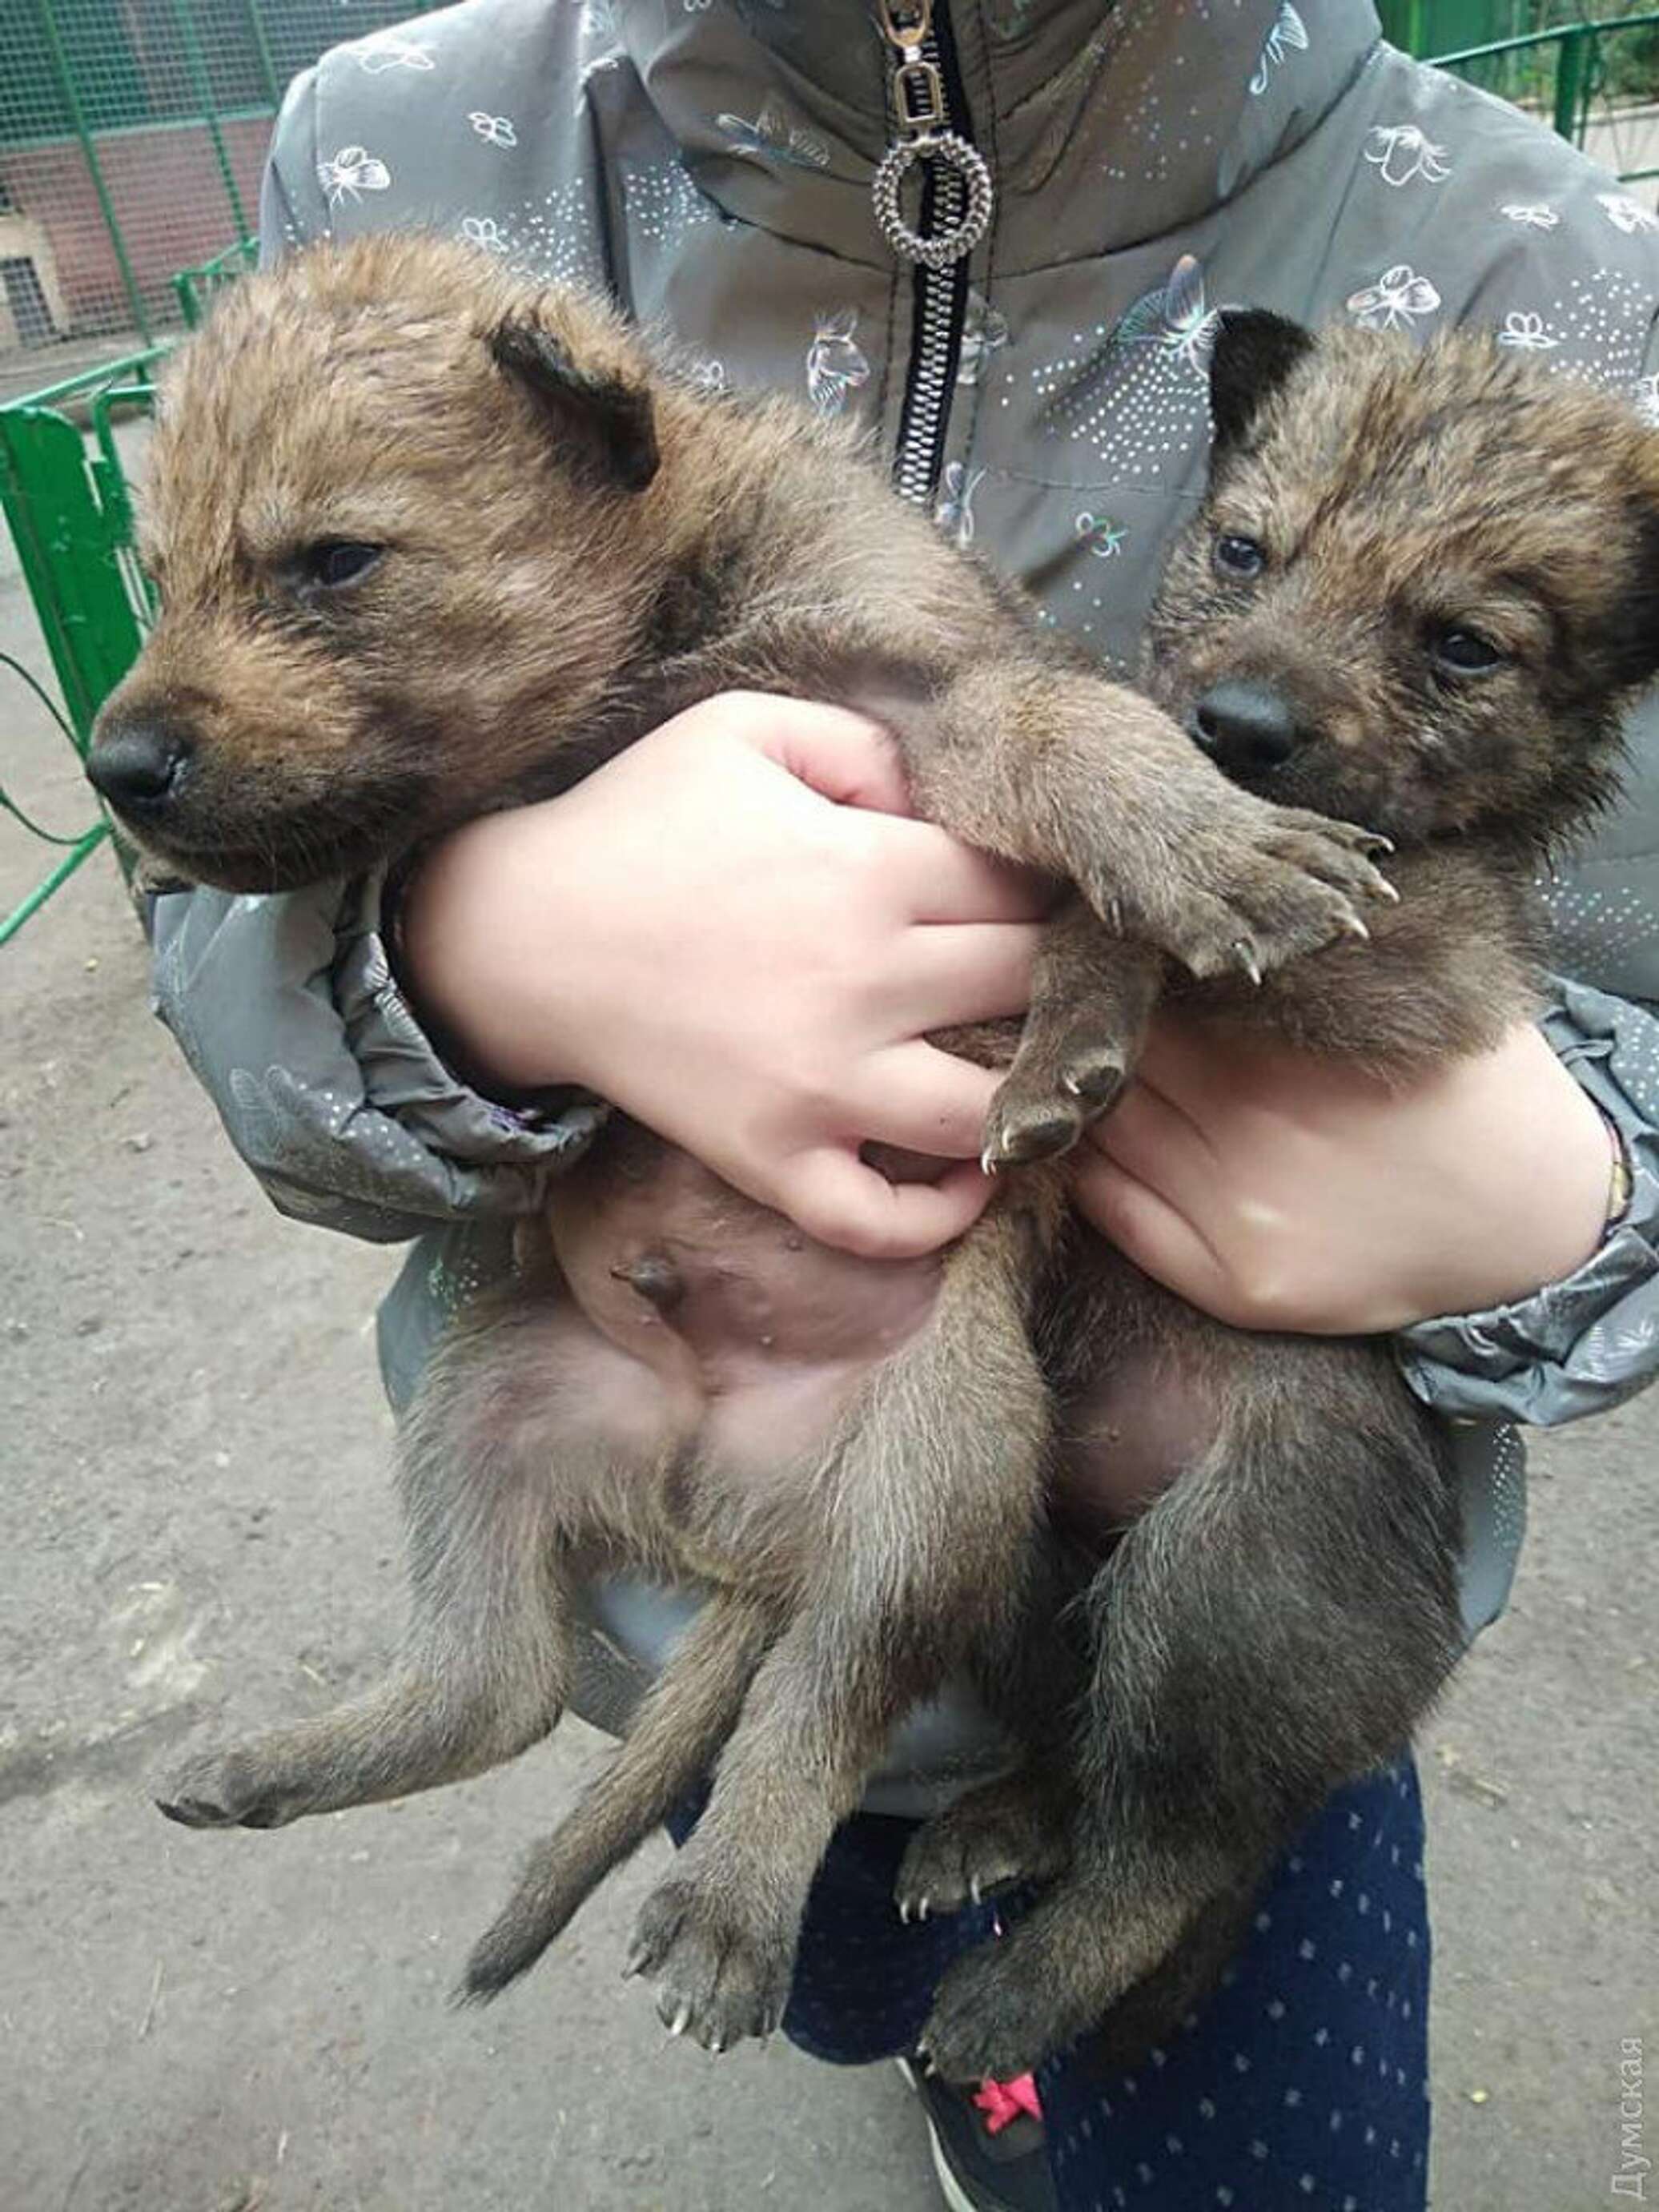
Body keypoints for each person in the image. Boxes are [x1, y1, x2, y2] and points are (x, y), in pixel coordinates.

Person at [151, 3, 1659, 2206]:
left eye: (1449, 644)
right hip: (701, 1540)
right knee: (853, 1974)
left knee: (1203, 1976)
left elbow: (1066, 749)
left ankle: (1090, 1932)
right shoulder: (402, 145)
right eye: (1242, 559)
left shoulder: (1548, 255)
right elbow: (208, 890)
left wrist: (1580, 1188)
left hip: (1214, 1548)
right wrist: (479, 945)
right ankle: (874, 1974)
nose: (1261, 672)